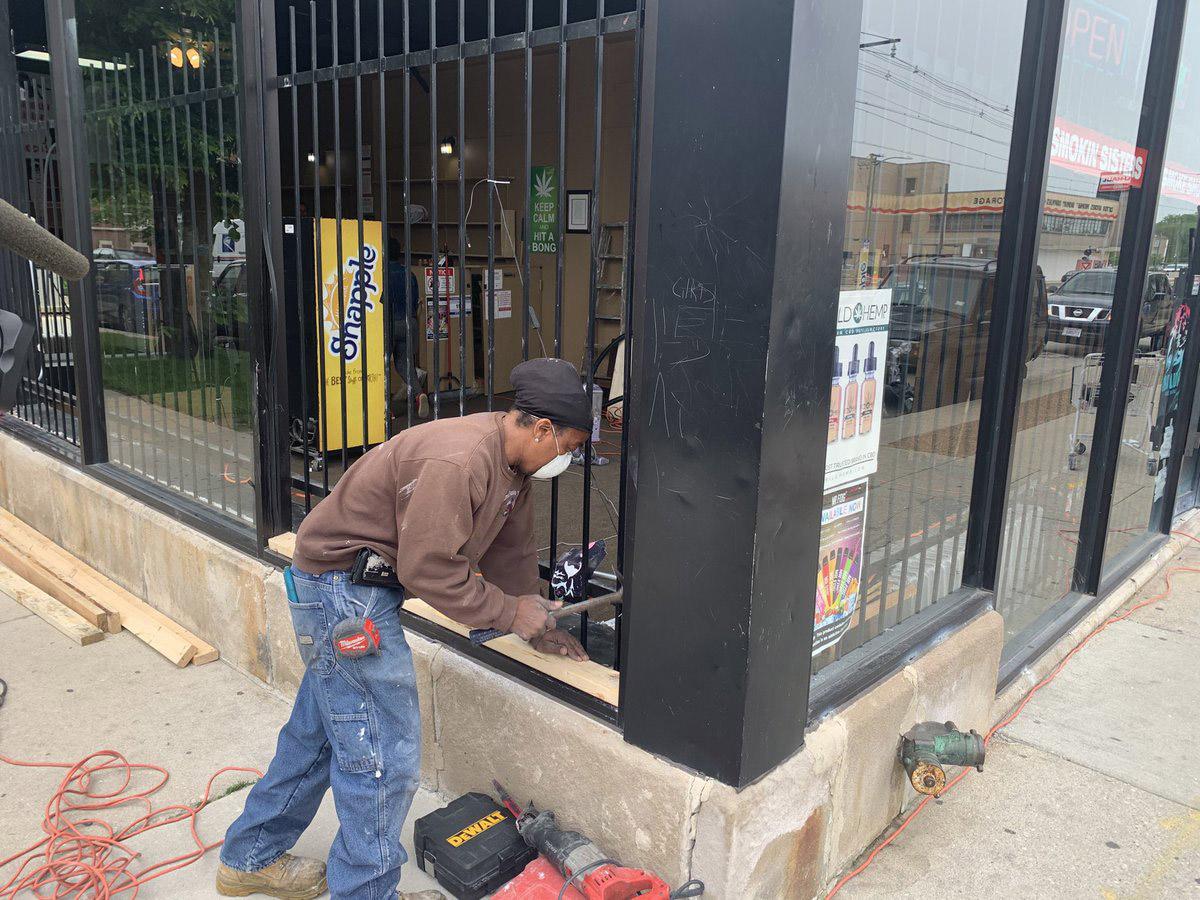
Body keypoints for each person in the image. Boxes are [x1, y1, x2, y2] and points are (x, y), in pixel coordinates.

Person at [216, 358, 592, 900]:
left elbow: (512, 551)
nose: (569, 458)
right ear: (540, 429)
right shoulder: (460, 461)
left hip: (361, 587)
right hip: (339, 589)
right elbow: (430, 568)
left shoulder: (517, 469)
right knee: (381, 755)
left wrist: (533, 623)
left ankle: (247, 857)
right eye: (569, 446)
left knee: (319, 737)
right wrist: (509, 614)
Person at [387, 239, 429, 419]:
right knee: (404, 364)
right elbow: (414, 301)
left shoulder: (381, 274)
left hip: (389, 322)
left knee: (381, 367)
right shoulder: (409, 274)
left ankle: (385, 409)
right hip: (409, 323)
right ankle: (419, 394)